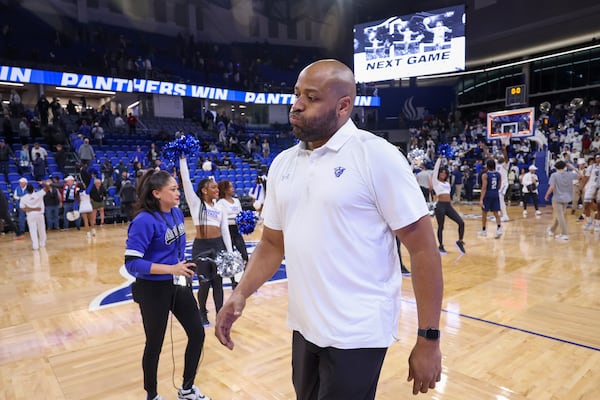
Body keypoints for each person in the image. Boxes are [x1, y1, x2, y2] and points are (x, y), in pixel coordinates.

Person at [214, 59, 442, 399]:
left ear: (343, 105)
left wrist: (428, 339)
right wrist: (241, 292)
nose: (297, 105)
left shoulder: (376, 156)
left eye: (311, 97)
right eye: (296, 94)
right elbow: (272, 243)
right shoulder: (283, 164)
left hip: (358, 332)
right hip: (305, 327)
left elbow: (423, 248)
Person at [124, 169, 210, 400]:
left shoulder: (176, 214)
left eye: (177, 187)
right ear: (157, 193)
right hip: (152, 289)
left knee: (197, 333)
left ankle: (187, 388)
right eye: (172, 189)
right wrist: (170, 268)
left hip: (177, 283)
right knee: (155, 344)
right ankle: (151, 395)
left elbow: (173, 251)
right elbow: (132, 263)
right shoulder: (143, 221)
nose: (177, 192)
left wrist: (184, 266)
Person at [179, 155, 233, 327]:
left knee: (218, 282)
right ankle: (202, 311)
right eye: (213, 188)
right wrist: (182, 159)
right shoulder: (196, 205)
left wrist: (230, 252)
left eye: (217, 187)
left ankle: (220, 313)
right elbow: (186, 182)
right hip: (201, 247)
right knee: (204, 283)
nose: (217, 190)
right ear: (204, 190)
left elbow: (225, 230)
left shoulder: (220, 207)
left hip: (217, 246)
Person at [216, 180, 249, 289]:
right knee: (229, 257)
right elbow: (222, 219)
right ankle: (233, 281)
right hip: (226, 231)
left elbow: (240, 215)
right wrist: (235, 218)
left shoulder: (236, 201)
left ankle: (247, 280)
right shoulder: (220, 203)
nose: (233, 188)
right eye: (230, 187)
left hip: (236, 231)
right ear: (225, 190)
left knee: (245, 255)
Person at [432, 156, 466, 254]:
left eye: (444, 173)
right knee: (441, 226)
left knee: (461, 222)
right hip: (440, 206)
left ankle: (460, 241)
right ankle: (441, 246)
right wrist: (439, 160)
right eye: (441, 172)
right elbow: (435, 171)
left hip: (448, 205)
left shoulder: (447, 183)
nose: (443, 174)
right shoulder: (436, 182)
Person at [544, 160, 577, 240]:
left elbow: (552, 187)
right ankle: (552, 230)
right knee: (560, 215)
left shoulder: (554, 175)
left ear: (556, 167)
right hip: (567, 198)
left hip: (557, 198)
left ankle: (565, 234)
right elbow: (582, 175)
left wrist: (547, 194)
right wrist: (573, 168)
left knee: (560, 216)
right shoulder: (570, 174)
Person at [19, 183, 49, 250]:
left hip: (30, 215)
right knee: (41, 229)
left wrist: (31, 209)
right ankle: (42, 243)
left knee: (33, 230)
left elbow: (22, 208)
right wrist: (43, 183)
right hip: (39, 214)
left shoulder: (23, 198)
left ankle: (35, 245)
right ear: (33, 189)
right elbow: (47, 187)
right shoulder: (39, 194)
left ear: (26, 190)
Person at [478, 159, 503, 238]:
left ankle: (484, 230)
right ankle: (499, 228)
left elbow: (484, 187)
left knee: (484, 213)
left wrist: (481, 199)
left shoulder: (485, 175)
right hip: (495, 194)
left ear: (487, 166)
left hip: (487, 194)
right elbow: (499, 186)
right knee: (496, 213)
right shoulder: (499, 174)